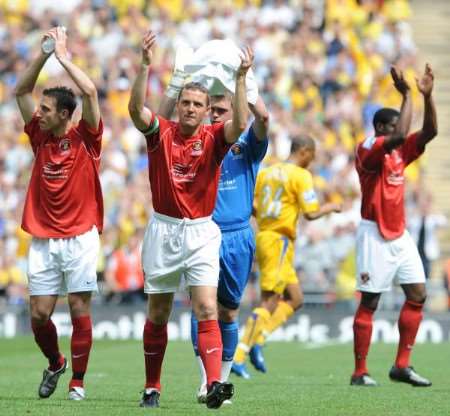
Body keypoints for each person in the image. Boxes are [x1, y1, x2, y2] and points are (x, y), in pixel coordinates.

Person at [127, 31, 253, 409]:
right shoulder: (160, 133)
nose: (192, 109)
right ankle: (152, 386)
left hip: (200, 232)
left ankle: (214, 384)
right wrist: (146, 65)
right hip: (164, 229)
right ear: (178, 103)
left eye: (198, 104)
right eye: (186, 102)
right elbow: (136, 112)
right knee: (159, 313)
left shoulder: (215, 138)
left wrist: (242, 79)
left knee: (207, 308)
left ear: (204, 108)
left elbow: (241, 123)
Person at [159, 66, 269, 399]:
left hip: (237, 237)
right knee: (202, 307)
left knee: (230, 311)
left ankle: (221, 378)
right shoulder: (200, 142)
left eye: (224, 111)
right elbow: (158, 123)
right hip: (202, 232)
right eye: (215, 111)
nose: (217, 117)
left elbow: (262, 119)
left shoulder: (246, 146)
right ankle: (205, 380)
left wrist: (246, 87)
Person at [14, 27, 103, 401]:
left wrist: (65, 57)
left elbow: (90, 93)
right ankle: (55, 362)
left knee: (79, 306)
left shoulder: (87, 136)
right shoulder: (39, 135)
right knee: (38, 315)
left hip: (81, 236)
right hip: (44, 238)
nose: (40, 113)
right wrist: (45, 54)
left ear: (65, 114)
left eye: (47, 110)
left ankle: (77, 383)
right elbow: (20, 91)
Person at [350, 64, 437, 387]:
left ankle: (402, 365)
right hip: (374, 233)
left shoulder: (400, 153)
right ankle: (360, 371)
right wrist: (407, 95)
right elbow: (401, 134)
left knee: (418, 293)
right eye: (391, 127)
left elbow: (429, 134)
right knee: (370, 301)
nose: (398, 133)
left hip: (400, 235)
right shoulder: (367, 149)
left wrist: (427, 97)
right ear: (380, 128)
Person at [232, 136, 342, 377]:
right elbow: (311, 214)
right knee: (269, 300)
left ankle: (258, 339)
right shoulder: (300, 176)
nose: (313, 160)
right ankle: (238, 355)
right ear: (304, 151)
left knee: (295, 298)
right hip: (278, 240)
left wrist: (267, 216)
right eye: (312, 154)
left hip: (268, 237)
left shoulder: (266, 172)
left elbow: (251, 204)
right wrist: (331, 207)